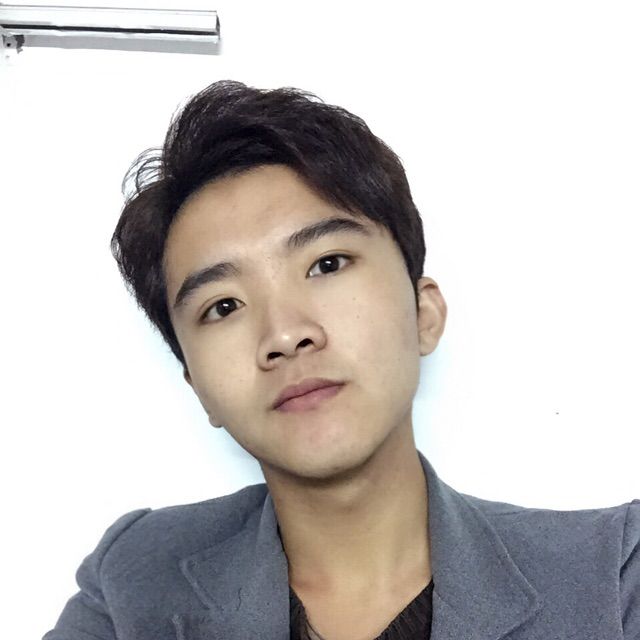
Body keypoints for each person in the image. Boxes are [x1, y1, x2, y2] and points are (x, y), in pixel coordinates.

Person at [44, 80, 639, 640]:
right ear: (197, 385)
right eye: (224, 306)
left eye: (326, 264)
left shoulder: (612, 573)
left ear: (423, 313)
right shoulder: (133, 577)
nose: (285, 335)